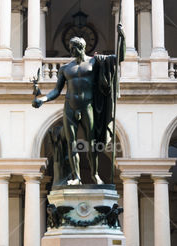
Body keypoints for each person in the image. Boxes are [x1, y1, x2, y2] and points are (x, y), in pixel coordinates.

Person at [32, 25, 124, 185]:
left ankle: (95, 175)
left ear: (80, 47)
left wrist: (122, 37)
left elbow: (119, 58)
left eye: (73, 48)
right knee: (71, 144)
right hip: (70, 108)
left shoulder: (95, 63)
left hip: (88, 106)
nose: (71, 51)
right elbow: (56, 91)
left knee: (92, 143)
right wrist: (43, 99)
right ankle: (76, 178)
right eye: (70, 48)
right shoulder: (66, 68)